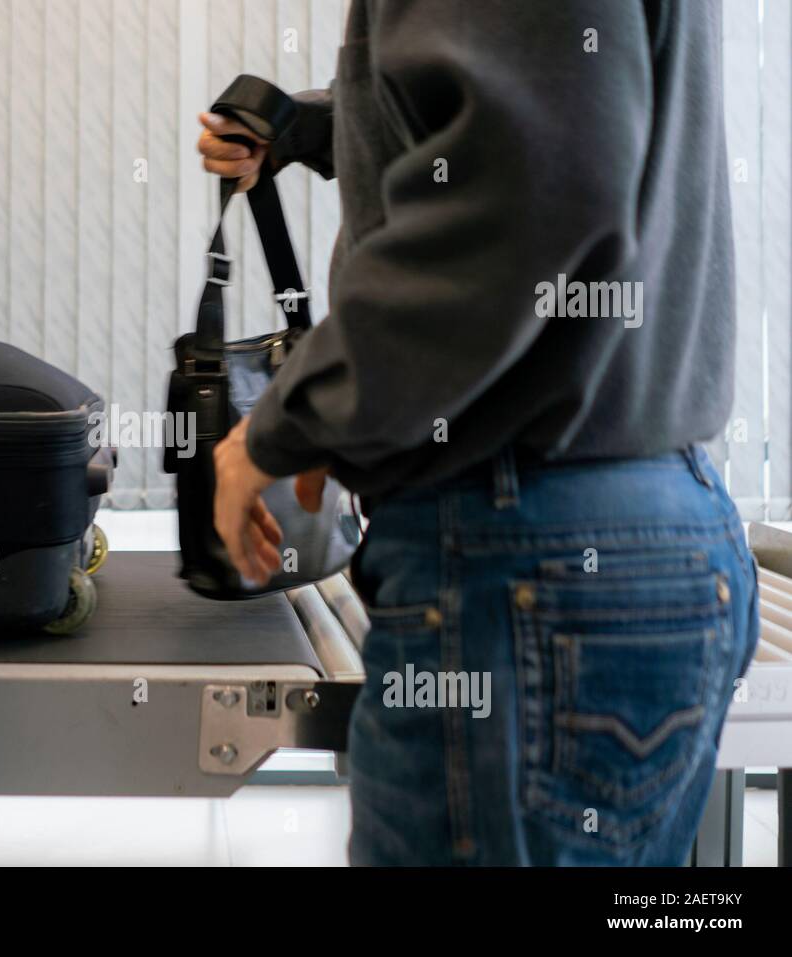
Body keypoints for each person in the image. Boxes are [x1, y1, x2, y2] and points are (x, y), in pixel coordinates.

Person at [200, 0, 761, 865]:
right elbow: (545, 99)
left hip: (524, 551)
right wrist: (309, 127)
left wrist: (283, 424)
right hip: (622, 521)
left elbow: (531, 188)